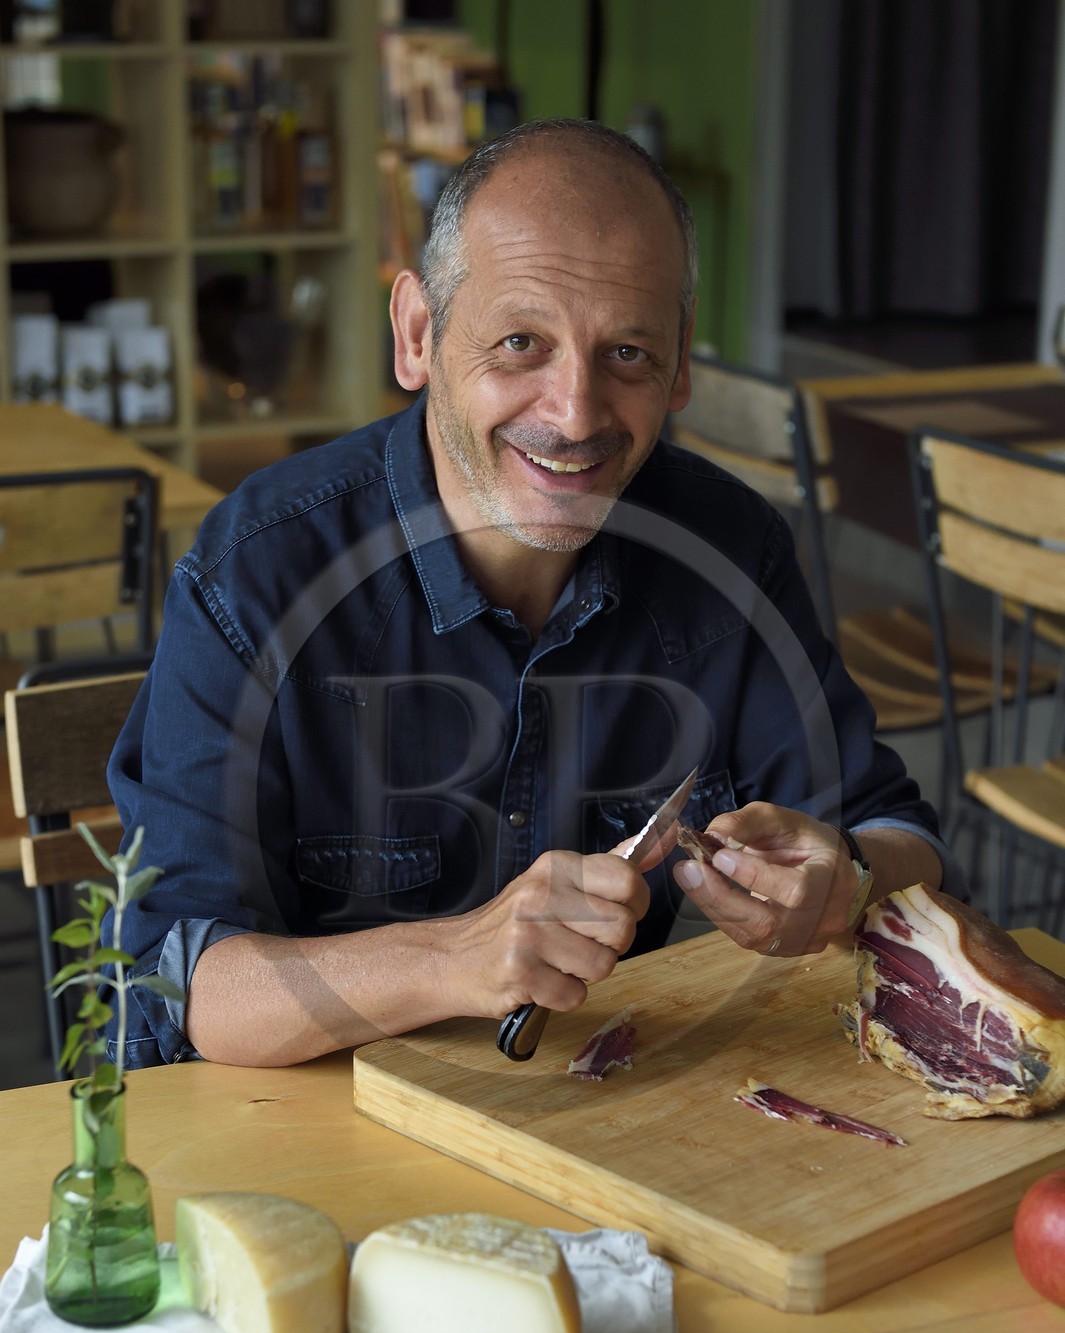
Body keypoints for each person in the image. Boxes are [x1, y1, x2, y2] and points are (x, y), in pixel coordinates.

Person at [107, 118, 961, 1070]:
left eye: (627, 352)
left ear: (680, 361)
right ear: (418, 335)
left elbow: (900, 836)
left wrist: (846, 878)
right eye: (520, 342)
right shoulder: (257, 572)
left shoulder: (727, 548)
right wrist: (452, 959)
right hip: (294, 1122)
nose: (575, 414)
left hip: (593, 1110)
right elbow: (183, 985)